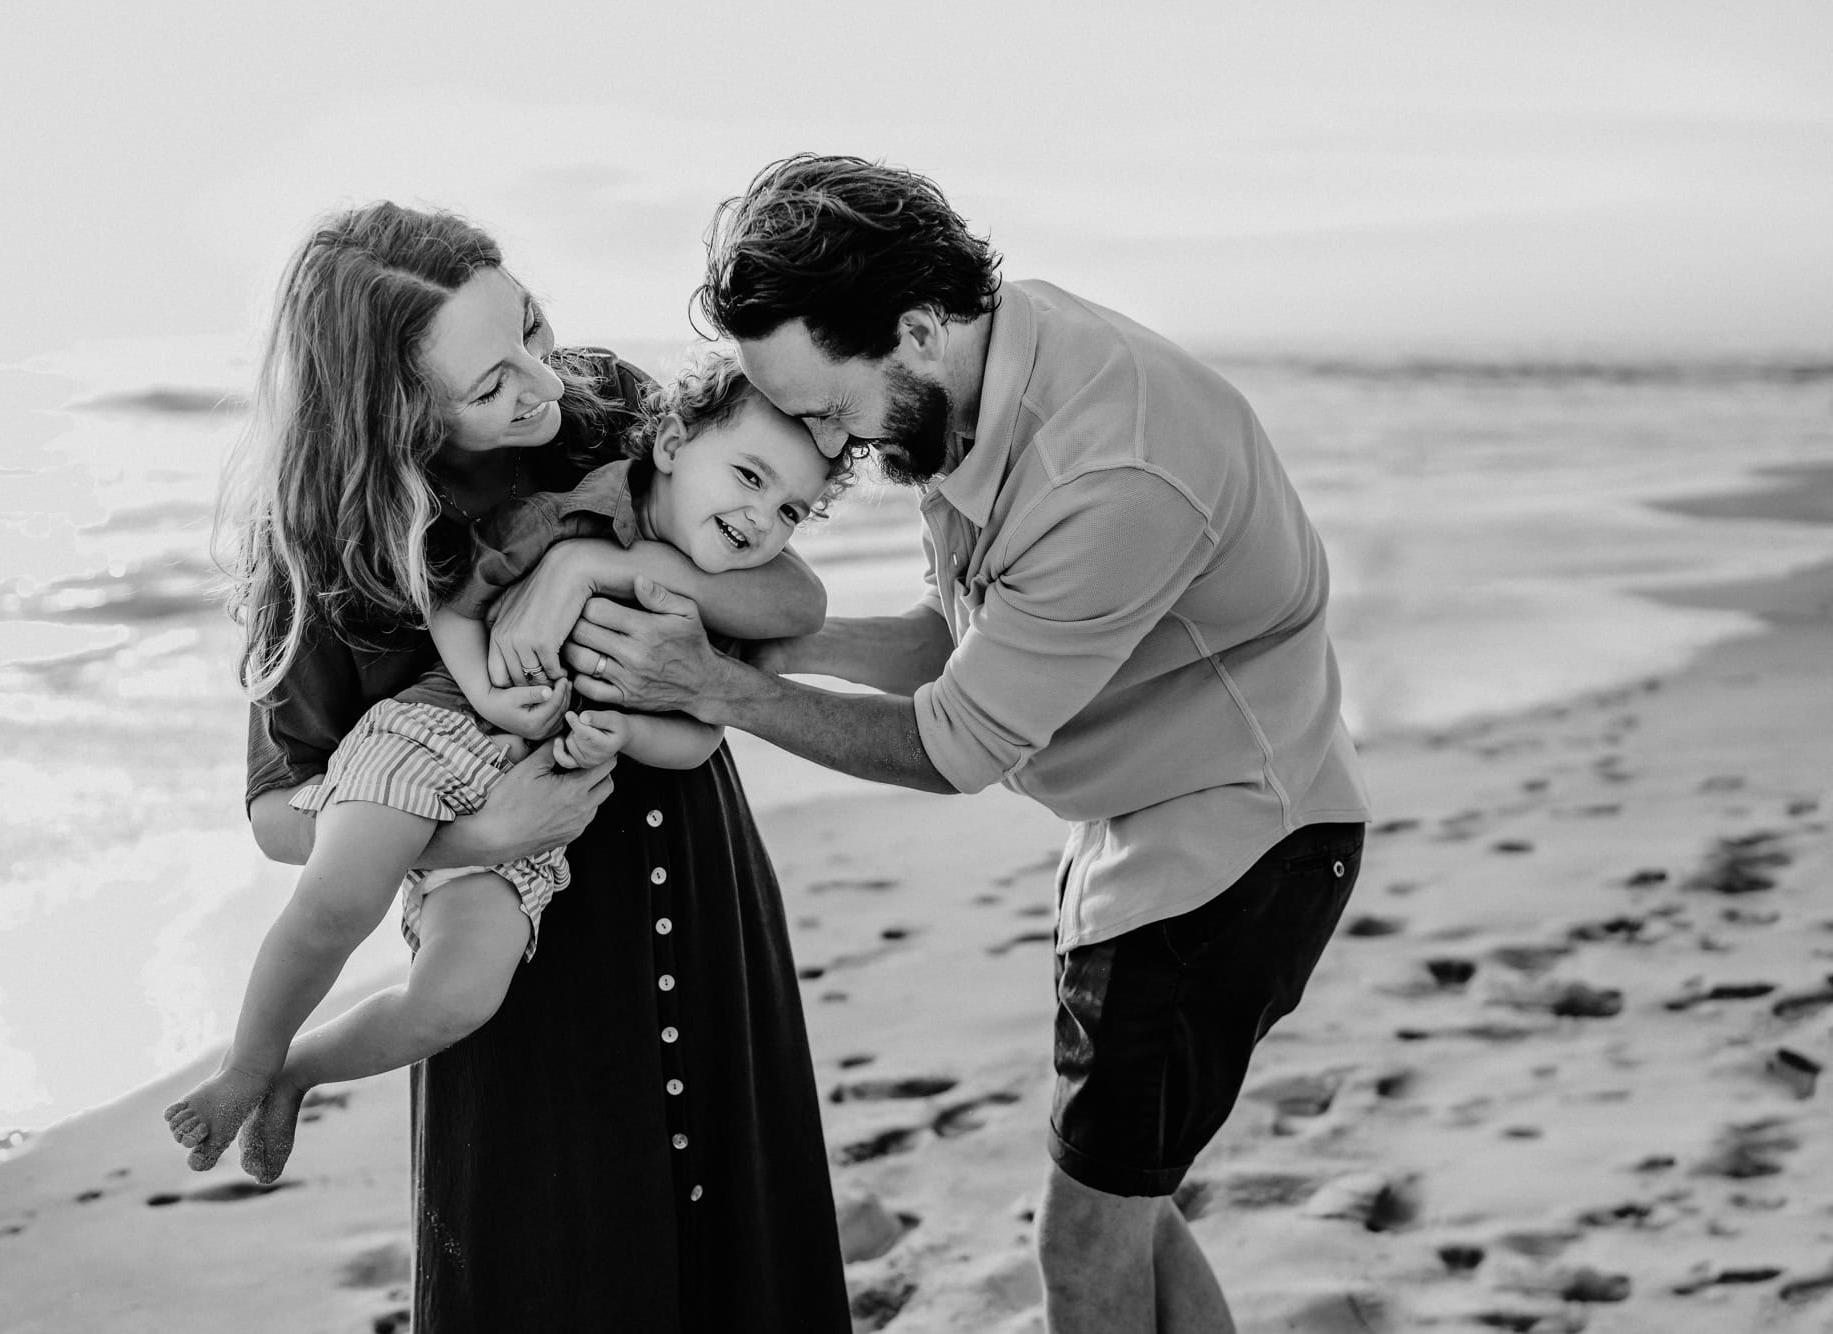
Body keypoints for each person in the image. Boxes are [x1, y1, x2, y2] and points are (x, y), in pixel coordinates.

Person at [558, 156, 1371, 1334]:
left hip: (1231, 853)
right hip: (1139, 832)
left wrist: (712, 684)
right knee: (1131, 1206)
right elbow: (958, 634)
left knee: (1081, 1239)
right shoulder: (987, 373)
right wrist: (778, 651)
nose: (828, 441)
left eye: (829, 409)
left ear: (918, 327)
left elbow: (953, 744)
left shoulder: (1112, 467)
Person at [217, 201, 850, 1331]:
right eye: (490, 381)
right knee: (555, 1257)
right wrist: (476, 836)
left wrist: (587, 569)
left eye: (531, 331)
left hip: (696, 883)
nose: (541, 386)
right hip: (517, 934)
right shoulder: (327, 548)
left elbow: (780, 591)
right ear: (393, 408)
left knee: (743, 1254)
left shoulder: (607, 407)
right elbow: (277, 809)